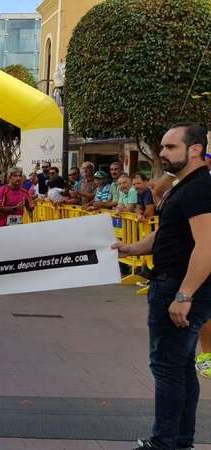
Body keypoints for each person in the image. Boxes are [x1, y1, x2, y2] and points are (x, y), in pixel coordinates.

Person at [113, 123, 211, 450]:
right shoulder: (184, 186)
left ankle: (164, 443)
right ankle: (179, 440)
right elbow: (167, 233)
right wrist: (132, 248)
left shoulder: (199, 188)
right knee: (179, 365)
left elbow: (207, 245)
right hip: (173, 285)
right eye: (162, 147)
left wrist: (184, 295)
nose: (163, 153)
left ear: (195, 149)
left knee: (167, 366)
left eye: (170, 147)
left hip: (179, 288)